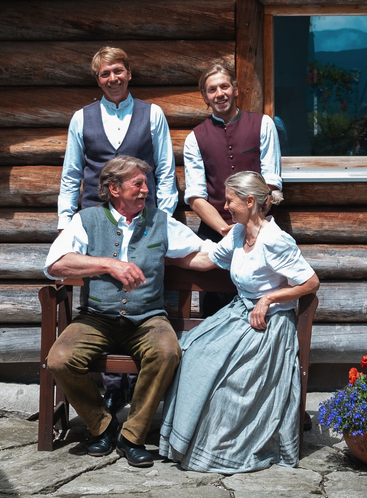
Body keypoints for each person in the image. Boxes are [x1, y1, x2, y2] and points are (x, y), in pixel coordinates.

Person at [44, 156, 210, 468]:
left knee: (167, 352)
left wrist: (243, 247)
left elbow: (200, 254)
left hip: (148, 318)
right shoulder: (87, 220)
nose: (146, 190)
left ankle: (131, 436)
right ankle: (102, 426)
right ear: (114, 189)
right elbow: (55, 264)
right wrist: (109, 263)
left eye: (146, 183)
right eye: (138, 184)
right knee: (60, 359)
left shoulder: (160, 222)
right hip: (97, 317)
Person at [159, 171, 319, 473]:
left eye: (230, 200)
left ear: (249, 201)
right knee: (191, 352)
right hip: (239, 314)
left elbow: (310, 282)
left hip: (269, 324)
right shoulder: (237, 232)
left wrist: (268, 299)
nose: (225, 206)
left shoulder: (275, 240)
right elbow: (206, 260)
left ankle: (220, 449)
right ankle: (184, 439)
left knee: (229, 380)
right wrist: (158, 255)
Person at [58, 46, 179, 415]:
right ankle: (112, 390)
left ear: (129, 73)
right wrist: (66, 226)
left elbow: (166, 172)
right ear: (98, 79)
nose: (112, 79)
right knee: (102, 302)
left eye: (118, 71)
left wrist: (162, 219)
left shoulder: (152, 114)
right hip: (99, 223)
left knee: (143, 300)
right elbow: (71, 174)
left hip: (143, 219)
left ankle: (140, 385)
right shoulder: (82, 118)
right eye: (105, 74)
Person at [183, 63, 282, 318]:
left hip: (259, 229)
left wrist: (248, 225)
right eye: (212, 89)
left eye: (225, 86)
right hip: (216, 231)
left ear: (236, 89)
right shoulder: (195, 137)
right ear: (205, 97)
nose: (220, 93)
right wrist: (225, 230)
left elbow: (270, 185)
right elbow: (195, 197)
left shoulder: (263, 124)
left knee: (260, 305)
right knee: (214, 307)